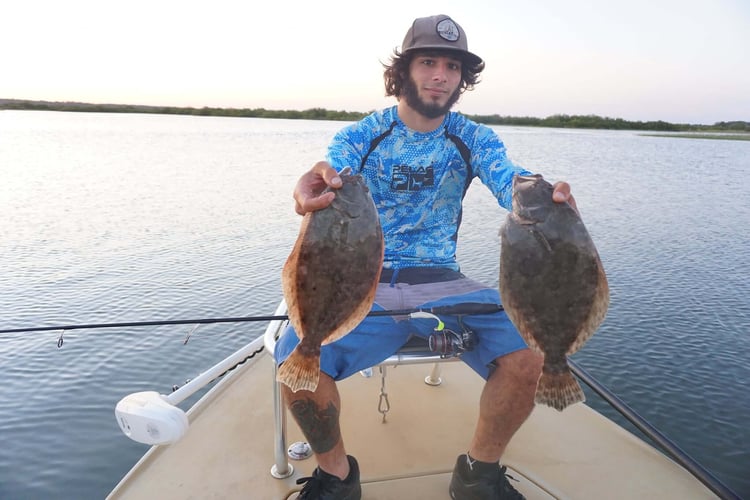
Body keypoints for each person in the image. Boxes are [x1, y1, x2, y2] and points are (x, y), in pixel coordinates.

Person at [275, 14, 577, 500]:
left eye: (452, 67)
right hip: (363, 280)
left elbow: (509, 179)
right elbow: (330, 177)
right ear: (403, 71)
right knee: (297, 360)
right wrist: (308, 187)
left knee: (531, 356)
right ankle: (335, 476)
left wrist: (546, 193)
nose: (441, 75)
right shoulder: (362, 134)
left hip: (441, 280)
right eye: (429, 62)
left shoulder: (472, 137)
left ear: (462, 79)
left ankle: (479, 474)